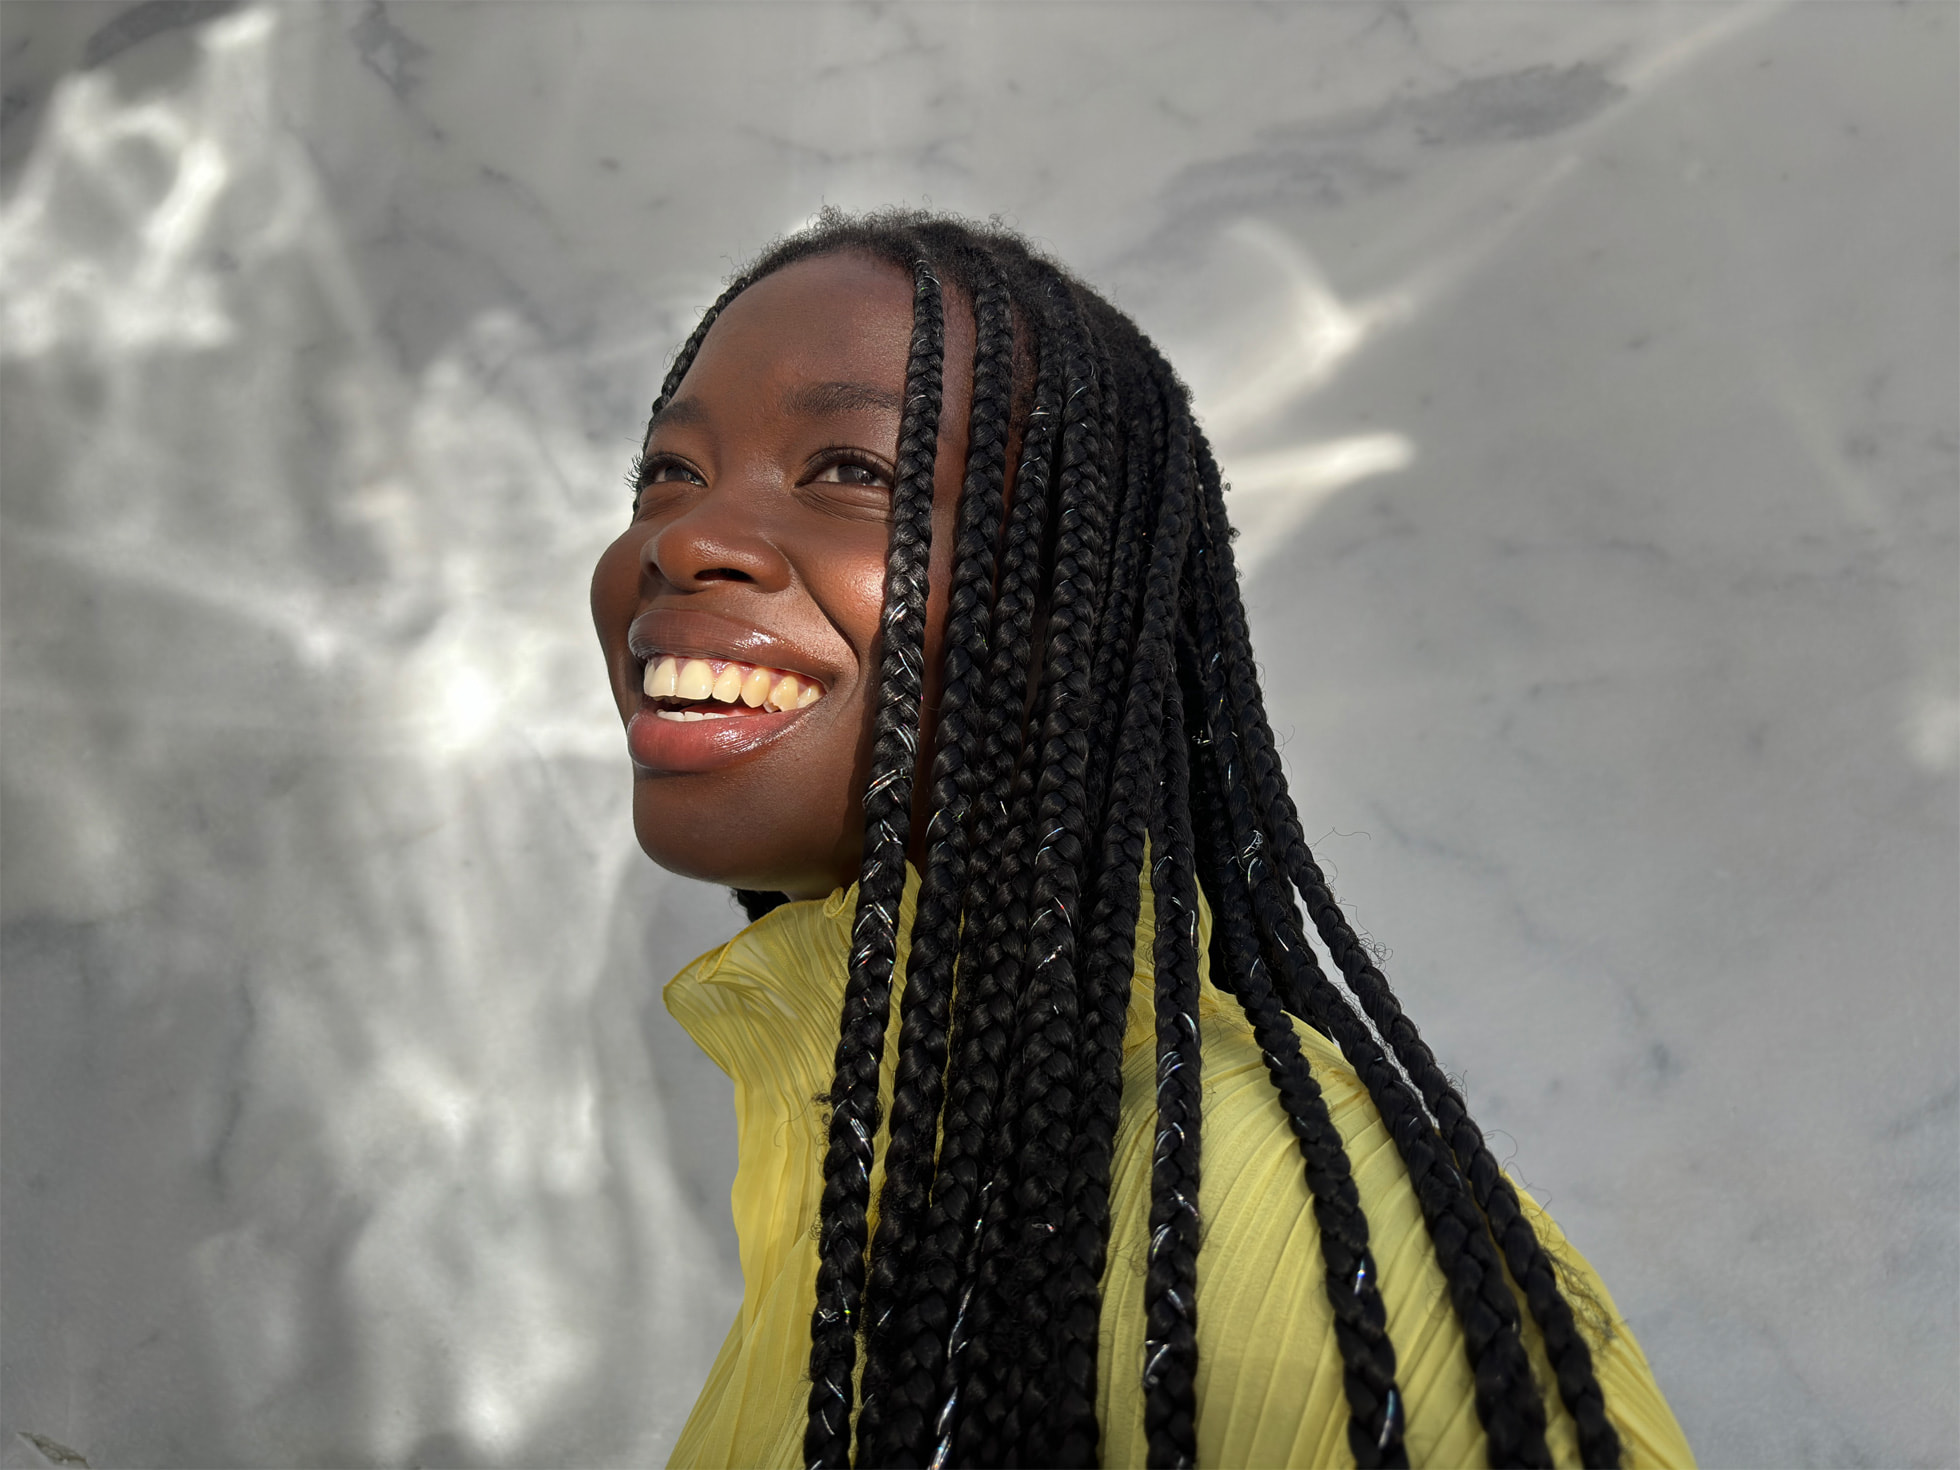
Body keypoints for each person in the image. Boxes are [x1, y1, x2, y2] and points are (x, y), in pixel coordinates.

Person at [589, 210, 1693, 1470]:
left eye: (852, 470)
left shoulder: (1269, 1232)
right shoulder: (873, 1146)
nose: (682, 541)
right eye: (666, 475)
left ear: (1078, 614)